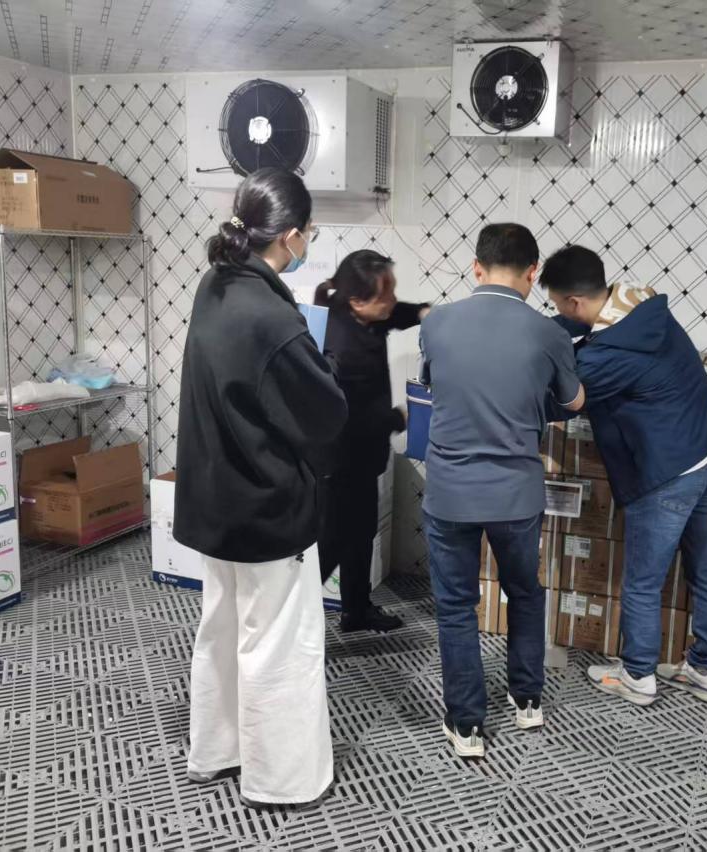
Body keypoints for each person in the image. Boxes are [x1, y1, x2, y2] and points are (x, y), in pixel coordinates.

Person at [174, 168, 347, 808]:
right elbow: (325, 416)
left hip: (213, 499)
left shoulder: (214, 284)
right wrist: (325, 367)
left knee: (221, 632)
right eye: (310, 235)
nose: (308, 245)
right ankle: (282, 779)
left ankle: (216, 751)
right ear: (292, 236)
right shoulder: (274, 318)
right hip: (267, 506)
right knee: (279, 645)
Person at [420, 223, 585, 759]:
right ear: (533, 274)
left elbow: (434, 383)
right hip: (516, 494)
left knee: (456, 607)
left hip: (450, 493)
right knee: (525, 592)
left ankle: (467, 726)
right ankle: (527, 699)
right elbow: (575, 401)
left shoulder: (437, 322)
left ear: (476, 267)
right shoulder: (549, 334)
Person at [541, 244, 707, 706]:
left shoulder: (608, 357)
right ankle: (706, 669)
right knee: (705, 567)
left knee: (643, 581)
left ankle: (638, 675)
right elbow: (570, 330)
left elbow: (561, 403)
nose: (558, 313)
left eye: (557, 305)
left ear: (574, 302)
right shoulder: (641, 308)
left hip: (667, 473)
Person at [315, 250, 429, 633]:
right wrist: (400, 418)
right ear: (357, 301)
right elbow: (351, 420)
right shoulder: (342, 346)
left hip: (361, 461)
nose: (393, 300)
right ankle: (290, 630)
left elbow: (394, 314)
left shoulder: (359, 314)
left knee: (361, 535)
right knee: (328, 547)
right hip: (339, 463)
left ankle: (357, 610)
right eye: (386, 294)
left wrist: (423, 312)